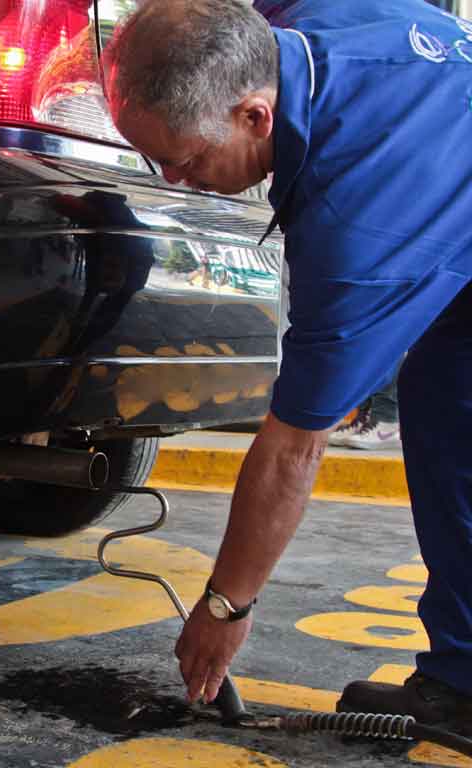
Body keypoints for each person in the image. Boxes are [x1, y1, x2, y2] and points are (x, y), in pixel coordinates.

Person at [103, 0, 472, 729]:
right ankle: (466, 679)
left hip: (429, 191)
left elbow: (292, 449)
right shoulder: (284, 25)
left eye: (187, 160)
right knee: (447, 416)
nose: (175, 181)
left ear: (256, 118)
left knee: (453, 420)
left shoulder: (358, 231)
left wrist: (225, 606)